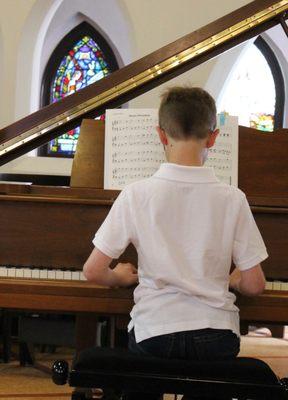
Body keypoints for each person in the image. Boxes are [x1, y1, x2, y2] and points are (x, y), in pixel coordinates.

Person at [83, 86, 267, 400]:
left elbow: (93, 271)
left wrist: (119, 276)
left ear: (160, 134)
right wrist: (235, 279)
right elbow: (255, 284)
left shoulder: (136, 194)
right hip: (216, 334)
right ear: (213, 137)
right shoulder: (233, 199)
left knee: (142, 381)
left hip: (156, 331)